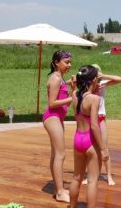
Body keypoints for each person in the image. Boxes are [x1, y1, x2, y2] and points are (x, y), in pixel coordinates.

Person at [69, 65, 109, 208]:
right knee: (92, 181)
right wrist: (103, 149)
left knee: (76, 177)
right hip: (90, 142)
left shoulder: (74, 95)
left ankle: (72, 206)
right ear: (92, 81)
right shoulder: (94, 99)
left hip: (77, 139)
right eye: (97, 79)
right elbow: (93, 125)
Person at [81, 64, 121, 186]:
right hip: (89, 119)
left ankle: (109, 175)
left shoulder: (102, 83)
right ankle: (90, 174)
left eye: (97, 71)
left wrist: (103, 76)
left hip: (100, 118)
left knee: (104, 146)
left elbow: (120, 79)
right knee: (91, 148)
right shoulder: (87, 86)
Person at [43, 50, 75, 203]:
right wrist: (71, 98)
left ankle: (57, 188)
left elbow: (64, 94)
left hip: (57, 118)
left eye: (70, 62)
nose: (69, 65)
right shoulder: (55, 78)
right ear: (57, 63)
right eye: (66, 62)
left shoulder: (60, 78)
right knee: (61, 154)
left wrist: (72, 87)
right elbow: (52, 103)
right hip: (52, 117)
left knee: (56, 154)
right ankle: (60, 191)